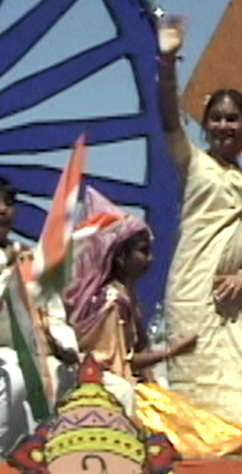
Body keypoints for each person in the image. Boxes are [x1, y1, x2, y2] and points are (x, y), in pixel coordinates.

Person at [156, 18, 242, 454]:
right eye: (215, 118)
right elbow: (166, 117)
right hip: (196, 296)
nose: (223, 125)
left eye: (233, 119)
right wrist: (166, 61)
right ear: (205, 124)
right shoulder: (193, 163)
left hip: (240, 302)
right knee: (199, 390)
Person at [63, 187, 198, 415]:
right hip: (103, 383)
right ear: (122, 257)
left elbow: (140, 346)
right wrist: (171, 353)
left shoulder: (127, 296)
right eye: (143, 251)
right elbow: (116, 362)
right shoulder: (112, 301)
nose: (150, 259)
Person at [0, 177, 78, 457]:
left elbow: (53, 316)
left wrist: (66, 346)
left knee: (113, 389)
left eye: (8, 203)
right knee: (16, 379)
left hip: (34, 355)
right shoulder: (13, 263)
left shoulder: (28, 259)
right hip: (4, 359)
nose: (2, 210)